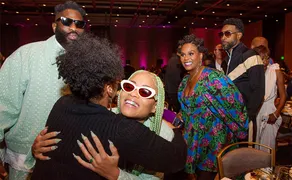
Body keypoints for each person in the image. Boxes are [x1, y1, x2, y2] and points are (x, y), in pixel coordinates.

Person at [30, 33, 187, 179]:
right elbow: (177, 159)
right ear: (111, 88)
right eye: (129, 86)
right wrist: (175, 129)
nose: (133, 94)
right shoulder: (120, 127)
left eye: (145, 92)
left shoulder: (62, 104)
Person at [0, 1, 86, 178]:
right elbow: (2, 106)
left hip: (71, 158)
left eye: (79, 24)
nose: (73, 28)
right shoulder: (27, 55)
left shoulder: (86, 62)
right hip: (25, 159)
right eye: (67, 21)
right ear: (54, 25)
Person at [177, 34, 248, 179]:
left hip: (214, 143)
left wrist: (238, 130)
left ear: (201, 55)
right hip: (192, 141)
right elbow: (187, 108)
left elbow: (237, 104)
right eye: (183, 55)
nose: (186, 58)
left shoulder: (213, 78)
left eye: (191, 53)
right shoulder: (185, 80)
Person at [220, 18, 265, 141]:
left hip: (243, 121)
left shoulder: (251, 56)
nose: (223, 37)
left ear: (239, 35)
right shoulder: (225, 61)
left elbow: (259, 90)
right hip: (228, 119)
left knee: (244, 157)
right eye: (221, 34)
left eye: (227, 34)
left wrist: (247, 116)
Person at [253, 45, 286, 151]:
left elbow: (283, 96)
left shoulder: (276, 72)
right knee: (254, 147)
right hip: (255, 114)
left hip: (270, 112)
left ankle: (267, 167)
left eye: (266, 58)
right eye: (261, 59)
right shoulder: (251, 74)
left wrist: (276, 113)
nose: (264, 62)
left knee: (267, 147)